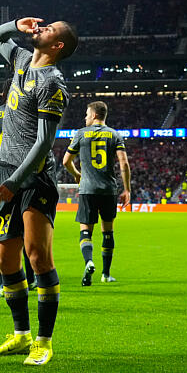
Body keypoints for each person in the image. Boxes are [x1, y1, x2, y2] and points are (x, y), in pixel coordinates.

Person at [0, 16, 77, 366]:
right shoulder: (22, 59)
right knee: (4, 258)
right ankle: (21, 335)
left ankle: (44, 341)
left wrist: (14, 182)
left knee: (37, 256)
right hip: (7, 174)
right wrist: (15, 25)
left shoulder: (52, 83)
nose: (41, 29)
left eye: (49, 29)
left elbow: (43, 144)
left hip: (33, 177)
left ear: (57, 47)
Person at [62, 101, 131, 286]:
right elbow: (124, 163)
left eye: (86, 114)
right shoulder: (114, 134)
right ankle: (106, 274)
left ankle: (89, 261)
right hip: (109, 190)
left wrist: (77, 175)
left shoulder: (81, 134)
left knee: (86, 231)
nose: (85, 117)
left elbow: (66, 161)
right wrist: (127, 189)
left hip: (87, 190)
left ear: (93, 115)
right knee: (108, 232)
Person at [0, 81, 36, 296]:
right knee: (26, 232)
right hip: (23, 179)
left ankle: (2, 283)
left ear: (3, 94)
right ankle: (30, 280)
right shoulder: (26, 114)